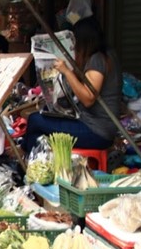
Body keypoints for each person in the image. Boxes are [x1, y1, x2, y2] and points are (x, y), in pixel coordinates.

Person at [23, 17, 122, 154]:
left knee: (35, 120)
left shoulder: (98, 60)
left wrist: (66, 71)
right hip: (92, 124)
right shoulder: (106, 55)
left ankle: (26, 159)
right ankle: (33, 165)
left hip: (97, 131)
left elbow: (88, 98)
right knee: (37, 131)